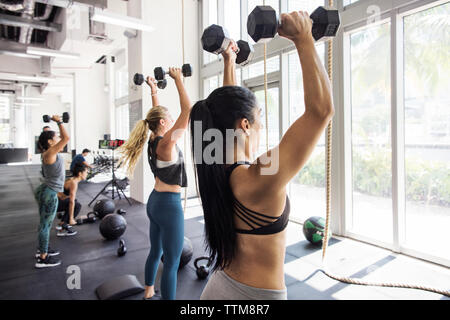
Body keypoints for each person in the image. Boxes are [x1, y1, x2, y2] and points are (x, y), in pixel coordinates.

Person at [189, 11, 334, 300]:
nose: (261, 126)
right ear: (244, 125)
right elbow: (320, 112)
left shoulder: (215, 165)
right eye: (258, 118)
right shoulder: (258, 175)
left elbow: (225, 114)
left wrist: (229, 61)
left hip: (219, 288)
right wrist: (303, 38)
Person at [119, 70, 191, 300]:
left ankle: (149, 292)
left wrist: (154, 91)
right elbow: (187, 111)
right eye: (169, 119)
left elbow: (156, 115)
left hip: (155, 202)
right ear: (163, 123)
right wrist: (179, 80)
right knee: (172, 263)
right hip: (169, 206)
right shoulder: (167, 144)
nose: (172, 121)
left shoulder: (154, 139)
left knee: (155, 252)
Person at [35, 115, 70, 268]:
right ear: (50, 142)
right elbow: (66, 137)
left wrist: (59, 126)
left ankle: (43, 248)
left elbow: (63, 137)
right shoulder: (50, 153)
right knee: (45, 224)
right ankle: (43, 258)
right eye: (55, 138)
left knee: (45, 223)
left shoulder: (50, 153)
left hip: (46, 190)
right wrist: (59, 122)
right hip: (49, 193)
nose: (58, 139)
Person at [55, 163, 88, 236]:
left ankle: (62, 224)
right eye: (86, 172)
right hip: (53, 204)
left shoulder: (72, 179)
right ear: (80, 173)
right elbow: (71, 202)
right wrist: (71, 218)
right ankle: (62, 229)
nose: (87, 174)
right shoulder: (74, 183)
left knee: (75, 201)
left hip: (55, 201)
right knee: (77, 205)